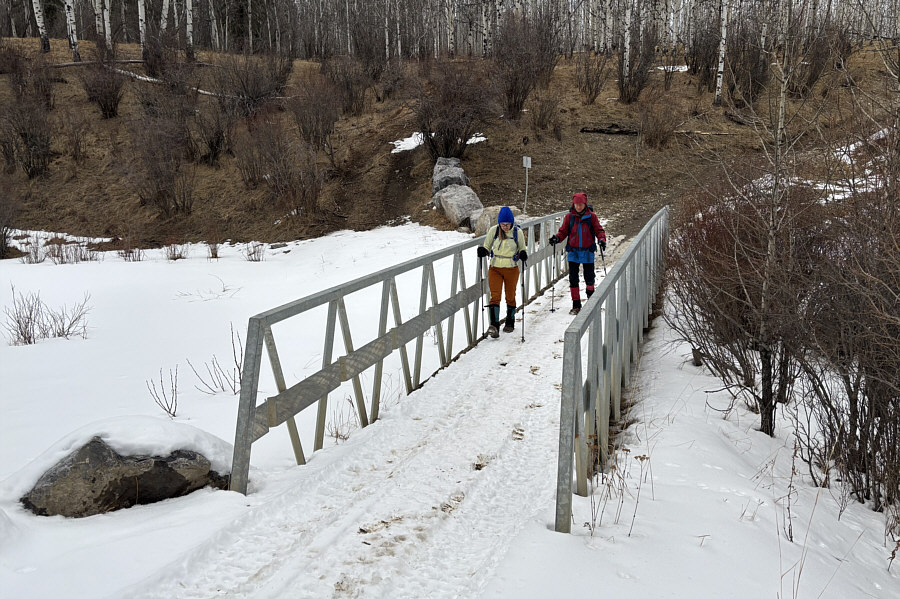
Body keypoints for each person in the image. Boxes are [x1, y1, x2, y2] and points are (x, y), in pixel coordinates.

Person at [549, 192, 606, 315]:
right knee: (573, 279)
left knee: (589, 278)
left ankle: (591, 302)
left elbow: (599, 230)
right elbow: (563, 231)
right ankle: (576, 305)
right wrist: (557, 238)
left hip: (587, 251)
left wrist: (602, 240)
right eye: (576, 204)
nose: (578, 207)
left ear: (585, 204)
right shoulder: (569, 217)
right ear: (573, 204)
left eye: (580, 204)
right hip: (573, 251)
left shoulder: (592, 217)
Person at [477, 206, 528, 337]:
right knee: (495, 296)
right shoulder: (494, 231)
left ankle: (510, 321)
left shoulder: (517, 232)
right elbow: (487, 245)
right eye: (503, 224)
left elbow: (523, 248)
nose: (505, 226)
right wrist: (483, 250)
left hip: (511, 269)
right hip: (495, 268)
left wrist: (522, 254)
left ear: (512, 222)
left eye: (507, 224)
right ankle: (494, 325)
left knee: (510, 296)